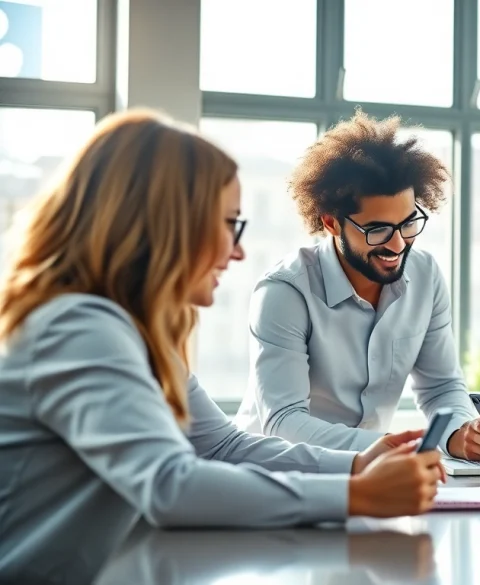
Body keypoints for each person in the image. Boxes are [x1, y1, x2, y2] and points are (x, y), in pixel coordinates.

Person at [0, 111, 444, 577]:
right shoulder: (79, 327)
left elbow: (221, 446)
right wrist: (359, 496)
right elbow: (171, 487)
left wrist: (357, 464)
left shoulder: (136, 334)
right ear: (168, 224)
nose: (238, 251)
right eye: (230, 223)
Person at [233, 111, 480, 462]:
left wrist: (460, 434)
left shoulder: (425, 276)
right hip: (277, 476)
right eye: (377, 230)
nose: (397, 245)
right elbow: (284, 421)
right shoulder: (284, 292)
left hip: (371, 477)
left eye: (408, 224)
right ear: (331, 222)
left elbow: (442, 388)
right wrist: (390, 447)